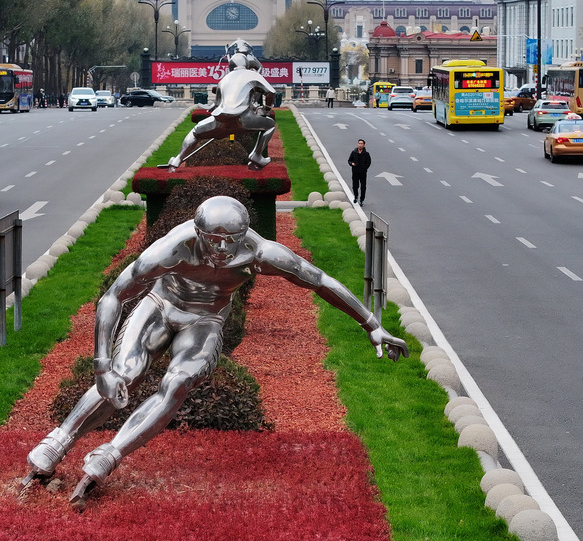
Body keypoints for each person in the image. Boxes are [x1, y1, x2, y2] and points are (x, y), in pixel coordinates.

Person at [24, 196, 409, 503]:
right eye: (214, 240)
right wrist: (101, 366)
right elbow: (113, 297)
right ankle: (59, 440)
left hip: (206, 319)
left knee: (178, 384)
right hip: (159, 306)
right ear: (198, 232)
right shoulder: (173, 248)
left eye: (232, 241)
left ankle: (110, 454)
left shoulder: (261, 253)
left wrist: (372, 325)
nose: (223, 249)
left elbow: (319, 280)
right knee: (126, 373)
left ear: (245, 235)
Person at [167, 41, 276, 171]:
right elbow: (271, 93)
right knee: (269, 125)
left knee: (195, 132)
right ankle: (256, 155)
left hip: (220, 120)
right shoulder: (253, 75)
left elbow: (215, 105)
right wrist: (266, 109)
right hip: (243, 119)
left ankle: (177, 159)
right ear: (246, 64)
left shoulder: (223, 80)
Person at [348, 138, 371, 205]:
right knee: (355, 186)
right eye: (359, 143)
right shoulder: (353, 152)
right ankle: (356, 196)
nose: (360, 145)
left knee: (363, 187)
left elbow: (368, 162)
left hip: (363, 173)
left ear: (364, 145)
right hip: (355, 172)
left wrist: (365, 168)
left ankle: (362, 199)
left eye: (361, 144)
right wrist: (351, 163)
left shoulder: (366, 154)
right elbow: (349, 160)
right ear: (357, 144)